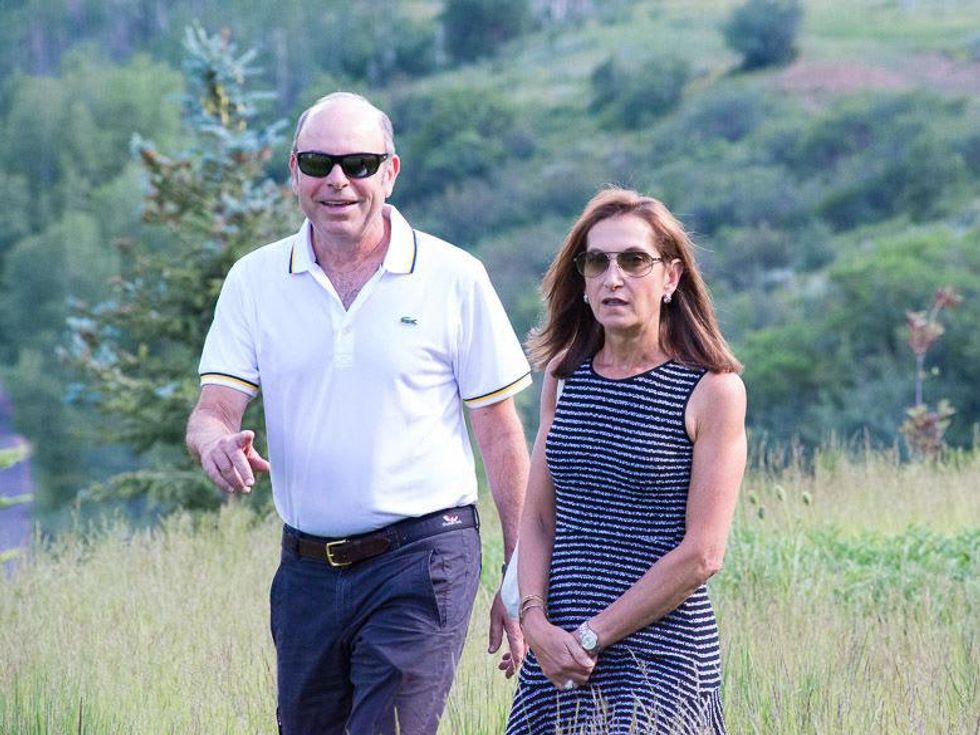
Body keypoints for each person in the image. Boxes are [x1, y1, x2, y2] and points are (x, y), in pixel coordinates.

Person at [185, 92, 531, 735]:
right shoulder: (254, 282)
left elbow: (501, 432)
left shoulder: (454, 277)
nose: (337, 180)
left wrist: (521, 568)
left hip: (423, 557)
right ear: (294, 171)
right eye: (319, 162)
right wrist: (213, 445)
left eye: (359, 163)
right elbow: (212, 411)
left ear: (390, 172)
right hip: (306, 572)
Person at [506, 187, 747, 734]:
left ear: (671, 277)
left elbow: (703, 554)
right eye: (597, 261)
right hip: (556, 659)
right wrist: (536, 621)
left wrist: (592, 636)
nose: (614, 277)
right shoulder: (565, 376)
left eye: (635, 260)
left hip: (660, 662)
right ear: (583, 279)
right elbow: (539, 517)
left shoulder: (712, 390)